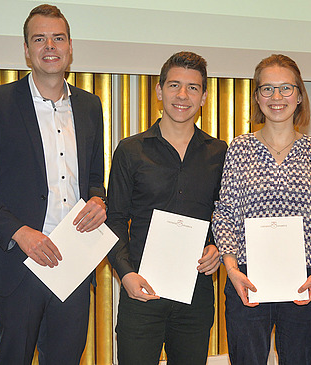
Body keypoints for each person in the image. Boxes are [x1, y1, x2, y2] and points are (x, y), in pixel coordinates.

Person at [0, 4, 107, 365]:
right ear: (26, 50)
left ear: (71, 47)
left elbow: (93, 179)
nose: (50, 46)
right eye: (39, 39)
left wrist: (99, 201)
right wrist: (20, 233)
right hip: (18, 264)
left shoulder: (90, 106)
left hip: (74, 262)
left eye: (58, 38)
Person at [212, 54, 311, 365]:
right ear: (256, 97)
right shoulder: (239, 148)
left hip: (305, 282)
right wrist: (232, 270)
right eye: (267, 89)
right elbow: (225, 213)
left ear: (300, 95)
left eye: (286, 88)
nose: (277, 97)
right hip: (247, 279)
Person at [106, 51, 227, 365]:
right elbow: (115, 218)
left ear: (203, 96)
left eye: (192, 87)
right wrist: (125, 273)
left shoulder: (218, 152)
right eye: (174, 85)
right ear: (159, 92)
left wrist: (217, 247)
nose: (182, 95)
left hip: (196, 292)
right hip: (141, 289)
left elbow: (224, 215)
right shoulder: (130, 150)